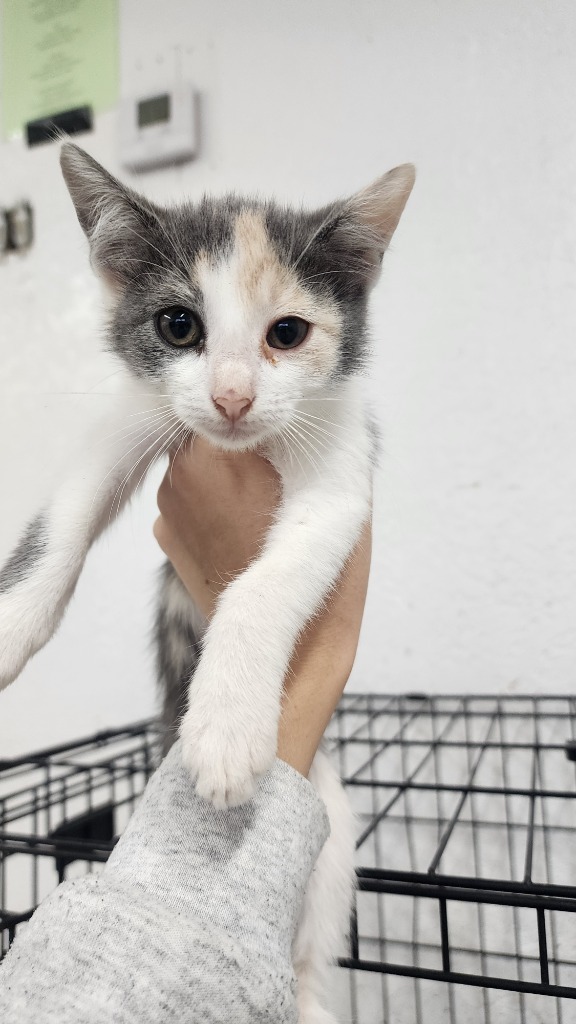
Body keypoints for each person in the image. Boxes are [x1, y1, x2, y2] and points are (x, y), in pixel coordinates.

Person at [0, 439, 371, 1023]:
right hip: (208, 743)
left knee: (324, 806)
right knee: (314, 797)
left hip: (223, 747)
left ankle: (305, 991)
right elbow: (106, 456)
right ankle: (303, 994)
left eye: (285, 336)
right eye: (182, 336)